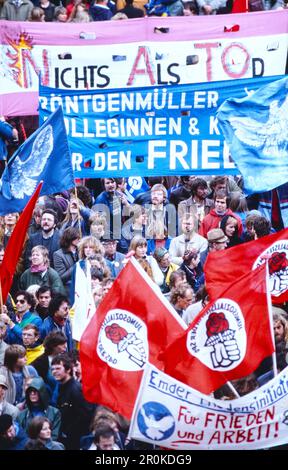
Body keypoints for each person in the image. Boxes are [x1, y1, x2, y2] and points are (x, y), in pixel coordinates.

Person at [51, 353, 95, 449]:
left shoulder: (76, 390)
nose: (54, 372)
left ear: (68, 369)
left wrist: (69, 433)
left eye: (58, 368)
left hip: (76, 440)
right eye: (53, 369)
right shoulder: (61, 387)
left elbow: (86, 416)